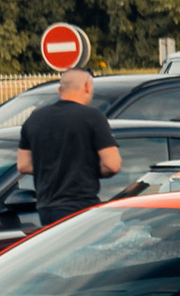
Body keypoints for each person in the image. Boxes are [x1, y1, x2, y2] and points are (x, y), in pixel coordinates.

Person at [15, 71, 122, 223]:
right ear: (87, 87)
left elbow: (23, 165)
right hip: (80, 207)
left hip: (45, 208)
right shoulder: (92, 117)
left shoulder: (35, 118)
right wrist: (86, 169)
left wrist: (52, 168)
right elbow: (113, 165)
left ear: (60, 91)